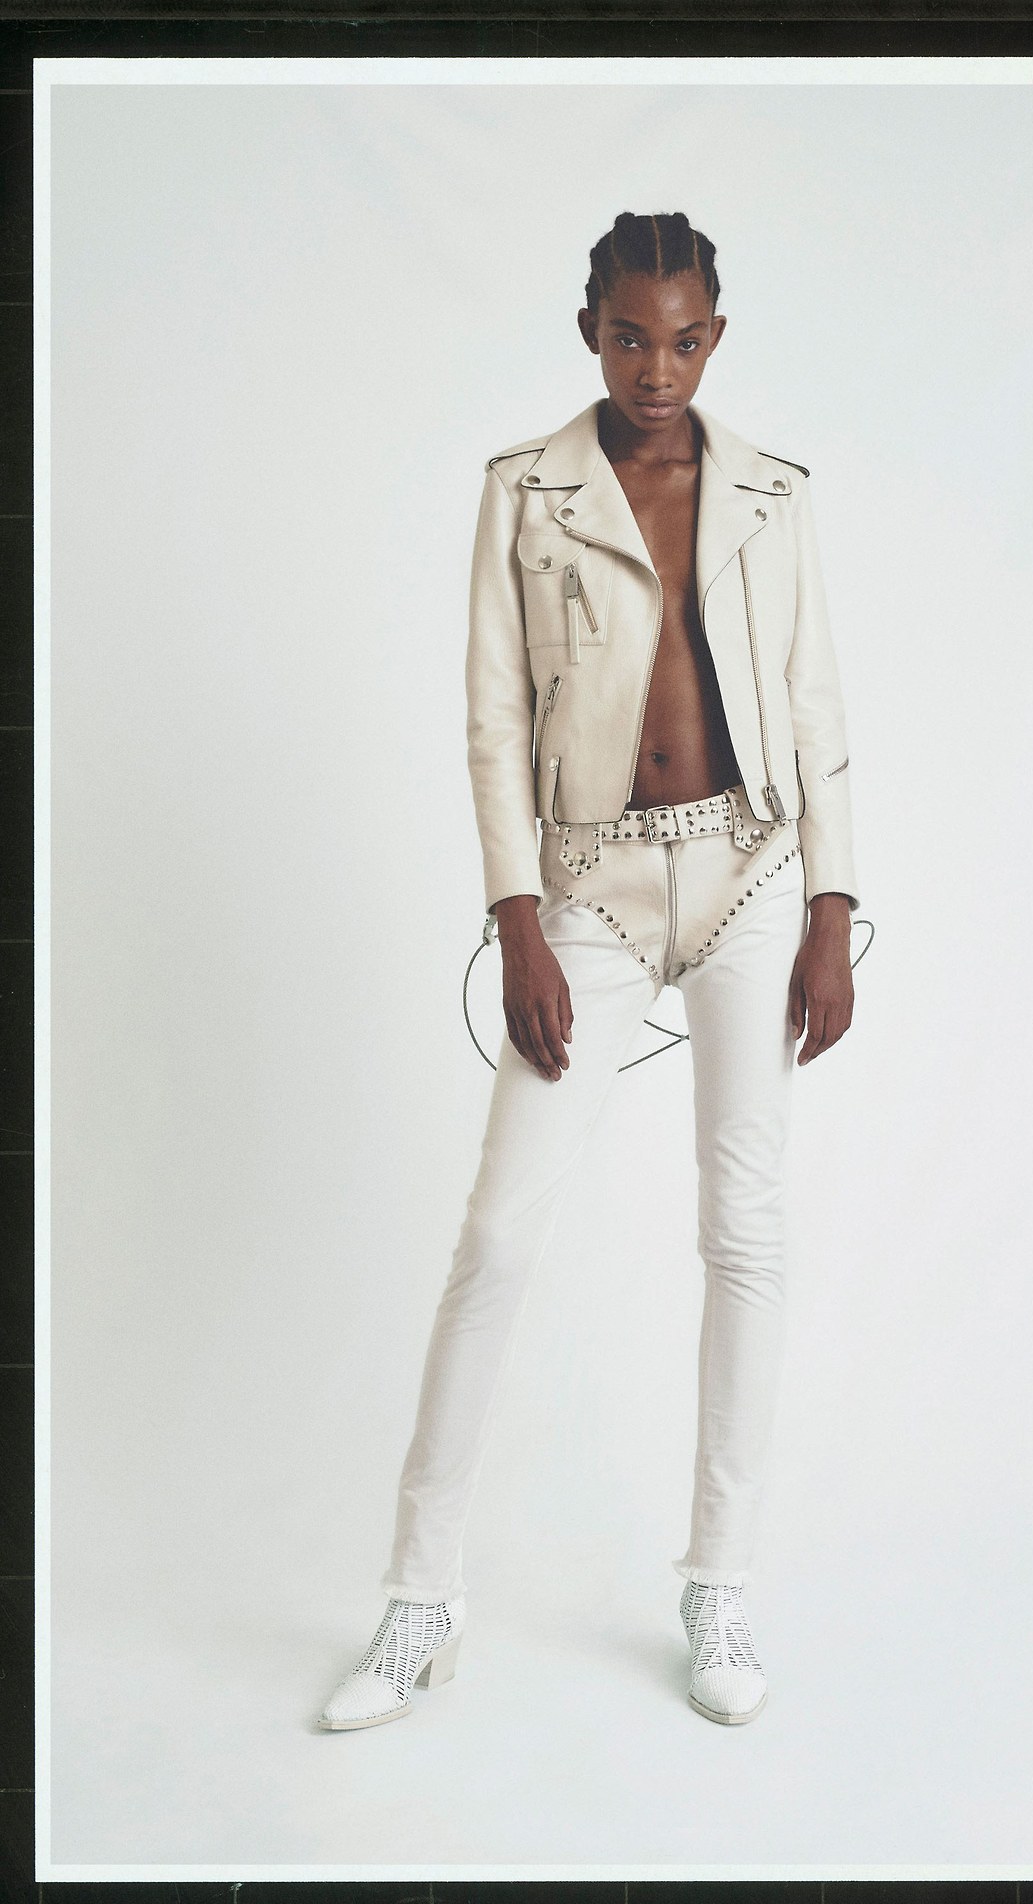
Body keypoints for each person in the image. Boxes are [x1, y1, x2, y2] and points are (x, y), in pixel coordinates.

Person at [318, 210, 860, 1733]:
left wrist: (830, 906)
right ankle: (419, 1602)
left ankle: (720, 1582)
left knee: (745, 1229)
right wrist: (518, 921)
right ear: (590, 333)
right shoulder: (526, 490)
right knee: (499, 1236)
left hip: (750, 873)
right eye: (630, 337)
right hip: (591, 891)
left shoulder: (773, 493)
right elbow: (494, 716)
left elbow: (816, 697)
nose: (656, 369)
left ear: (714, 337)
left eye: (682, 340)